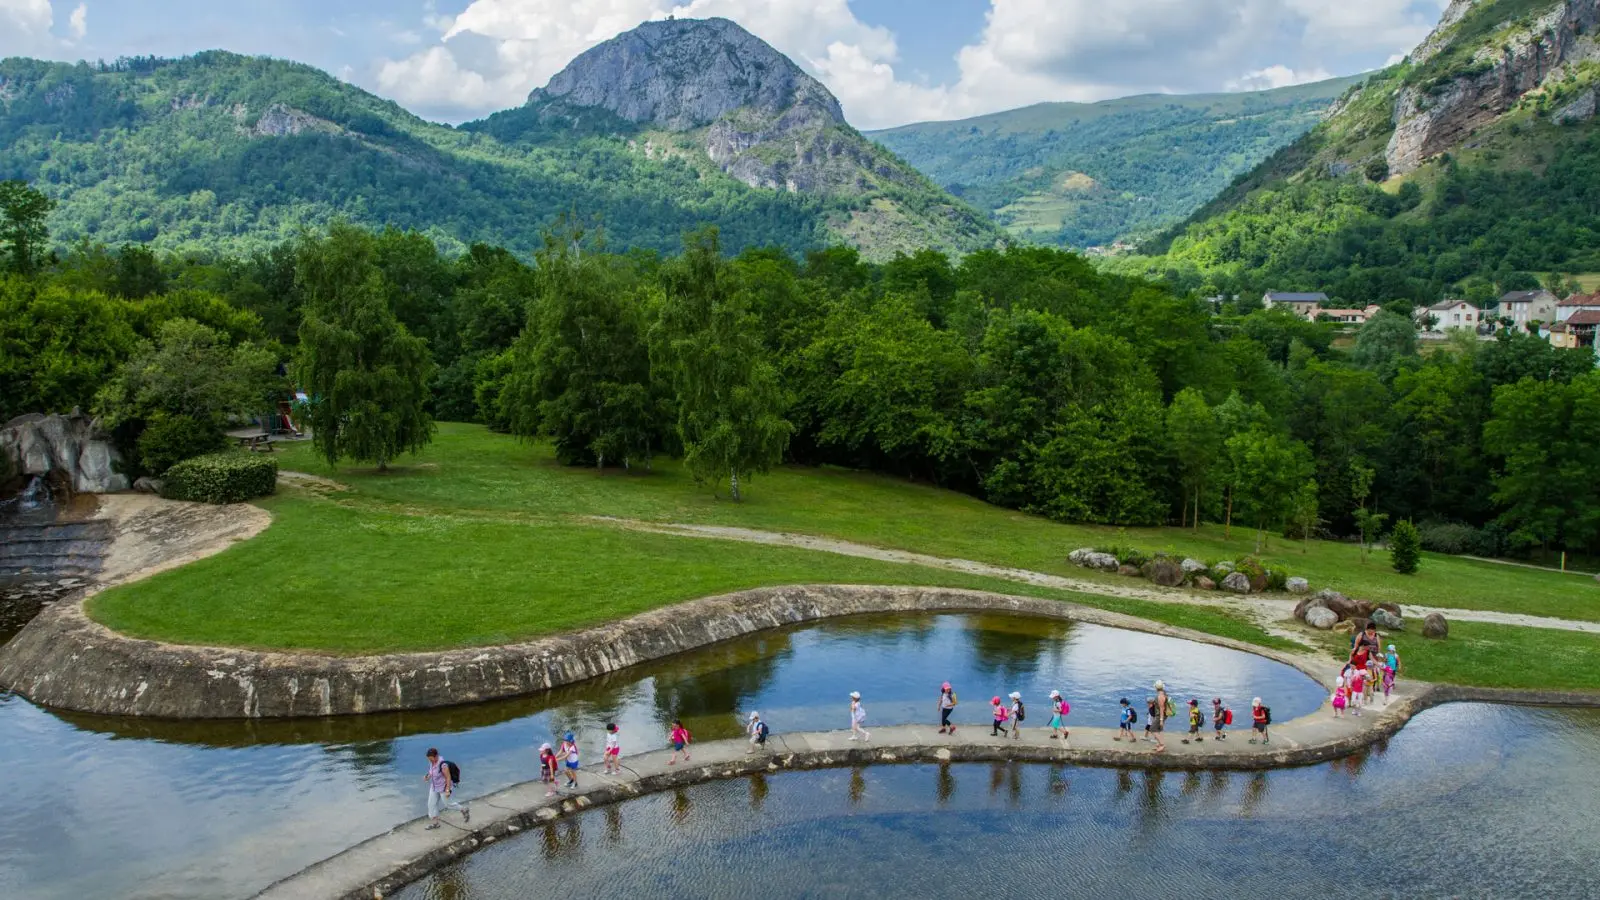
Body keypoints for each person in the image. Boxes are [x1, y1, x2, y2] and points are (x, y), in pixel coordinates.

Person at [423, 747, 468, 830]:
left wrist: (447, 790)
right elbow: (431, 772)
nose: (430, 761)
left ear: (436, 756)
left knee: (448, 805)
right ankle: (435, 824)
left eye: (431, 759)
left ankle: (463, 809)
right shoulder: (432, 762)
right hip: (434, 787)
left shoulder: (443, 765)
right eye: (429, 759)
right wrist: (428, 776)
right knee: (431, 805)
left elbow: (448, 777)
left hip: (443, 788)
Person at [1151, 681, 1171, 753]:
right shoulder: (1164, 693)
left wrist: (1161, 720)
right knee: (1158, 730)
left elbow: (1162, 708)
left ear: (1156, 688)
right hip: (1162, 714)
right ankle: (1159, 744)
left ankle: (1162, 745)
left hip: (1160, 715)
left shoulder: (1160, 696)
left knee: (1152, 729)